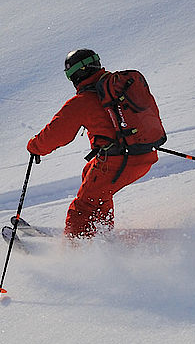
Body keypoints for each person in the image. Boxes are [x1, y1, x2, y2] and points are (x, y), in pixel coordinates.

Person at [25, 49, 160, 239]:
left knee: (83, 206)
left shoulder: (82, 102)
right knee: (91, 175)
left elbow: (57, 133)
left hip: (119, 163)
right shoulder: (119, 88)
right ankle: (101, 231)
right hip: (144, 153)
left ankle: (75, 251)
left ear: (75, 76)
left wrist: (34, 147)